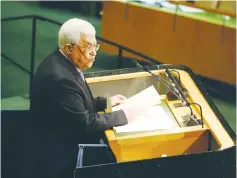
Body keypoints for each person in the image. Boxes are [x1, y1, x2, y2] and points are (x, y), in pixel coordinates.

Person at [28, 18, 140, 178]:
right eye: (88, 47)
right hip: (61, 157)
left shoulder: (62, 62)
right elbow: (85, 124)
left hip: (58, 138)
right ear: (68, 48)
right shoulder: (60, 78)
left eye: (95, 46)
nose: (94, 53)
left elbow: (70, 106)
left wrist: (105, 102)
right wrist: (124, 116)